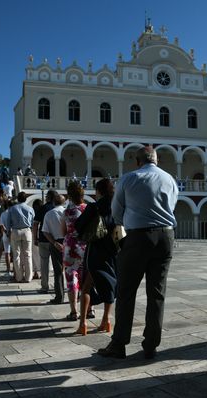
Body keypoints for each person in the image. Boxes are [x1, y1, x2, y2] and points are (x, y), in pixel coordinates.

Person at [98, 146, 178, 360]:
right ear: (157, 160)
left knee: (126, 291)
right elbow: (172, 205)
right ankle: (151, 344)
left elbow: (116, 211)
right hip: (165, 237)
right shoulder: (170, 179)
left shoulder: (129, 178)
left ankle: (119, 344)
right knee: (157, 294)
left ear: (137, 161)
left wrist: (129, 224)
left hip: (138, 237)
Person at [74, 178, 119, 335]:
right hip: (114, 252)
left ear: (99, 191)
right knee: (110, 285)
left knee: (86, 287)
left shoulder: (94, 207)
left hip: (96, 251)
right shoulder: (118, 207)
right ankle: (106, 320)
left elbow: (78, 226)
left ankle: (83, 323)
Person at [62, 181, 88, 320]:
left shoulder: (67, 212)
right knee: (86, 277)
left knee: (71, 278)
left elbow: (63, 231)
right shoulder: (88, 209)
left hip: (70, 246)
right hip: (85, 246)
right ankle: (90, 308)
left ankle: (74, 311)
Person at [42, 191, 67, 304]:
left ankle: (59, 297)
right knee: (73, 271)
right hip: (69, 241)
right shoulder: (68, 212)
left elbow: (45, 232)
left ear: (53, 202)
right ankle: (76, 295)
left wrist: (54, 243)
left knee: (58, 272)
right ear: (64, 202)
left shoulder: (49, 214)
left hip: (56, 242)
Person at [5, 192, 35, 283]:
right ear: (26, 199)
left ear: (17, 199)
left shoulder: (12, 209)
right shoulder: (30, 208)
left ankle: (19, 277)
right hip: (27, 231)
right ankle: (28, 277)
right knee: (28, 255)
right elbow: (33, 221)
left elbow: (8, 222)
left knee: (16, 255)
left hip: (15, 231)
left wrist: (8, 232)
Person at [34, 191, 56, 293]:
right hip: (56, 239)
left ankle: (45, 286)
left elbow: (35, 224)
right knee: (58, 265)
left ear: (48, 197)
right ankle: (58, 287)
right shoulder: (59, 208)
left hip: (43, 238)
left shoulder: (42, 208)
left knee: (44, 264)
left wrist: (35, 238)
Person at [0, 200, 13, 273]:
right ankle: (15, 268)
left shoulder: (3, 214)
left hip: (5, 234)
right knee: (15, 252)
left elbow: (1, 225)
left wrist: (6, 232)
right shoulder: (13, 213)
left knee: (7, 252)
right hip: (13, 234)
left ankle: (8, 268)